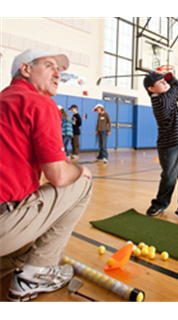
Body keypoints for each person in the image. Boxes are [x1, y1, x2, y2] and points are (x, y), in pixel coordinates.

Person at [0, 49, 93, 302]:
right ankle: (36, 272)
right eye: (50, 66)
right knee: (81, 184)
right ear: (26, 69)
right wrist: (81, 169)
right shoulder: (39, 103)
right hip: (3, 225)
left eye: (59, 69)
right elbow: (59, 176)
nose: (58, 74)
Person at [144, 71, 178, 223]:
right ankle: (159, 204)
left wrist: (169, 78)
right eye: (160, 82)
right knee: (169, 178)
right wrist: (170, 76)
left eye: (164, 81)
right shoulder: (160, 101)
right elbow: (177, 89)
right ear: (151, 89)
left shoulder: (167, 96)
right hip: (169, 146)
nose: (165, 83)